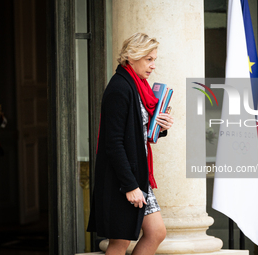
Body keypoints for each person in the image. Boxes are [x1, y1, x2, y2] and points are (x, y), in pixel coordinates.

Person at [87, 33, 174, 255]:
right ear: (131, 57)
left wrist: (159, 127)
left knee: (156, 232)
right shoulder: (119, 88)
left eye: (154, 59)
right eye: (149, 59)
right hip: (123, 179)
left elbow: (136, 133)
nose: (153, 66)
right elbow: (113, 143)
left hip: (136, 175)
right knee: (120, 242)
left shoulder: (138, 87)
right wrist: (130, 186)